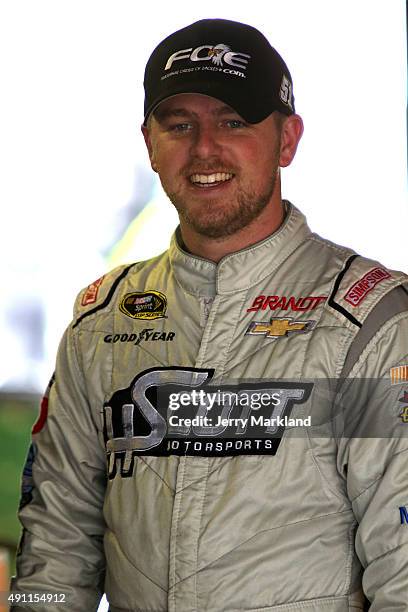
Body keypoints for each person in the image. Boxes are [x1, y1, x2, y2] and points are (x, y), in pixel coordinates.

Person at [10, 18, 408, 612]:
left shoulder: (373, 320)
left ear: (287, 140)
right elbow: (54, 552)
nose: (203, 149)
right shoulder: (100, 321)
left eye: (233, 122)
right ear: (149, 142)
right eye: (180, 125)